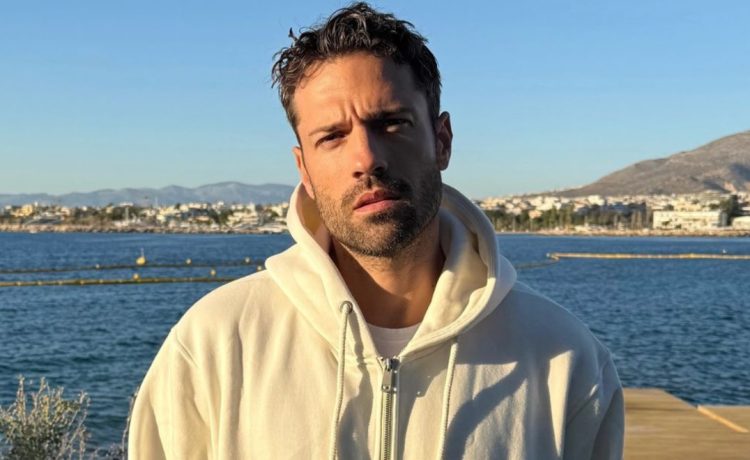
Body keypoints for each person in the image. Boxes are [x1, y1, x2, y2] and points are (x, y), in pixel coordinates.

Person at [128, 3, 624, 459]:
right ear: (304, 170)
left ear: (442, 141)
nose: (366, 158)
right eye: (332, 136)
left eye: (392, 123)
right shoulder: (213, 345)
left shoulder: (564, 360)